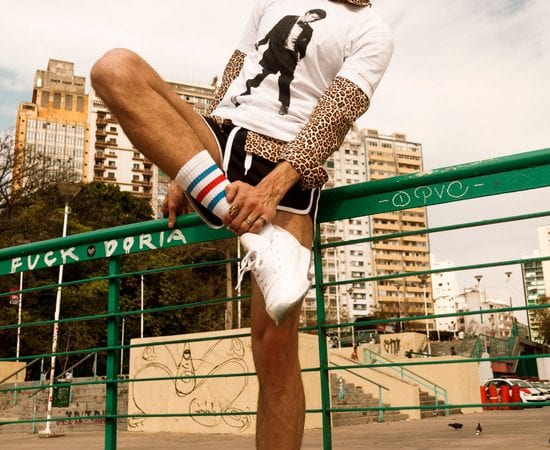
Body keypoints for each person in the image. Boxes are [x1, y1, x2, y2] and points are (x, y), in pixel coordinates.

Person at [90, 1, 393, 448]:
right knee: (115, 68)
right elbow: (233, 79)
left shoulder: (371, 31)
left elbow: (335, 115)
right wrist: (185, 169)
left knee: (274, 352)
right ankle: (250, 229)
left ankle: (240, 217)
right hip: (220, 141)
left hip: (286, 165)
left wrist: (271, 189)